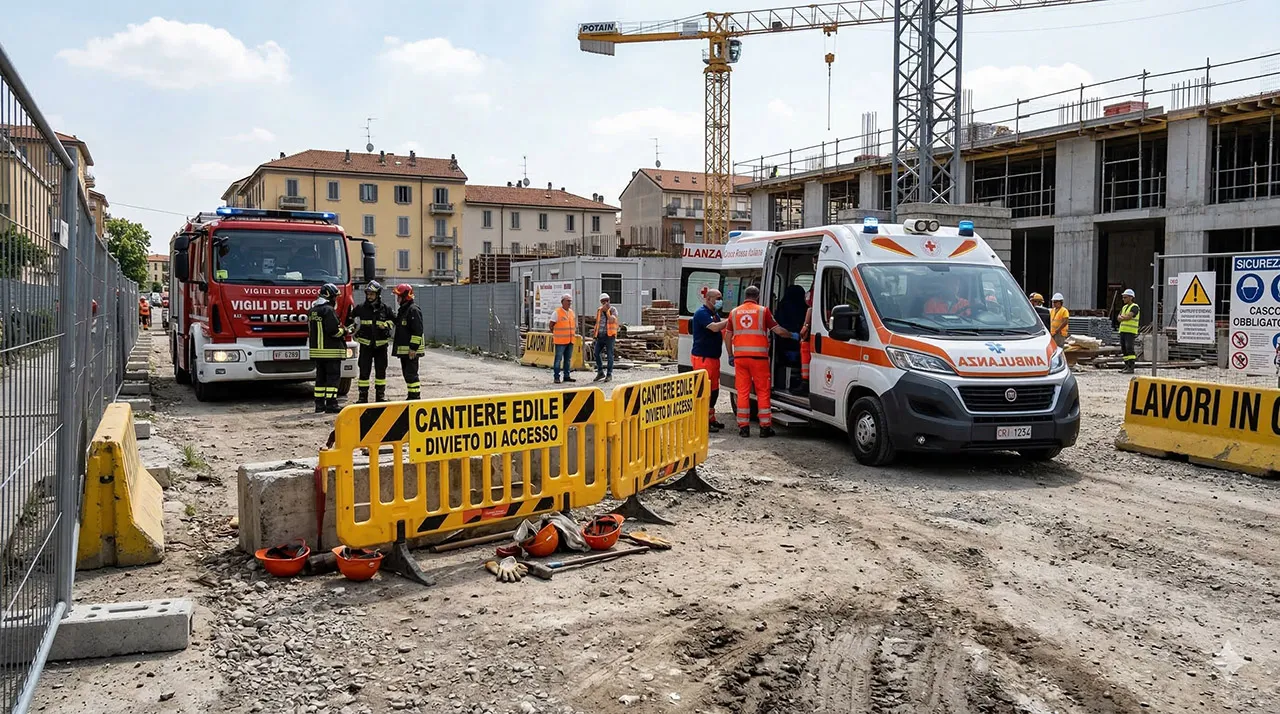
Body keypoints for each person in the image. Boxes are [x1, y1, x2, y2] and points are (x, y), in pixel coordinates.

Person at [725, 285, 798, 438]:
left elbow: (727, 335)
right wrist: (792, 335)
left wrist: (730, 355)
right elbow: (777, 331)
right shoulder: (763, 311)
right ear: (757, 297)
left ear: (745, 295)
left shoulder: (734, 312)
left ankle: (743, 428)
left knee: (743, 392)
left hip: (740, 358)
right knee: (763, 392)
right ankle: (765, 428)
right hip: (759, 359)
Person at [348, 281, 396, 402]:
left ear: (378, 294)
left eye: (372, 294)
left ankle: (380, 396)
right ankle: (362, 397)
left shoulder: (386, 309)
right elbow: (349, 318)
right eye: (368, 294)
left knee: (381, 371)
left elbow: (394, 321)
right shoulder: (361, 308)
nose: (369, 296)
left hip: (381, 346)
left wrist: (386, 325)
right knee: (364, 372)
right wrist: (352, 327)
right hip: (365, 345)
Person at [691, 287, 730, 431]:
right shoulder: (702, 313)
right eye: (717, 298)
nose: (720, 301)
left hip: (713, 358)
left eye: (721, 298)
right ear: (708, 299)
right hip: (703, 358)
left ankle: (710, 418)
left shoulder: (714, 314)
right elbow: (714, 328)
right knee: (703, 391)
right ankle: (701, 422)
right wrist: (730, 319)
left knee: (714, 391)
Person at [308, 283, 346, 414]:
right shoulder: (328, 310)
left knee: (320, 378)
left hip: (317, 352)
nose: (336, 299)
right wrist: (345, 330)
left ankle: (319, 405)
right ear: (330, 296)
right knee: (333, 378)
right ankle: (331, 404)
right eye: (335, 297)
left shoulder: (313, 310)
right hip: (331, 351)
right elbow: (333, 331)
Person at [392, 284, 424, 400]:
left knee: (411, 375)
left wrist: (413, 348)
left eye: (399, 296)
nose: (397, 299)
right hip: (405, 351)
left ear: (405, 296)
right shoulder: (404, 310)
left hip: (411, 351)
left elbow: (418, 330)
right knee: (407, 374)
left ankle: (415, 397)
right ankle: (411, 396)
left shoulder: (413, 310)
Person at [550, 294, 577, 384]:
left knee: (567, 359)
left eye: (570, 301)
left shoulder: (571, 313)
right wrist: (556, 334)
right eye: (568, 301)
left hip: (570, 340)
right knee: (558, 359)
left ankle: (566, 376)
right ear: (563, 302)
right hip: (560, 341)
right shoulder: (557, 312)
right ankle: (556, 377)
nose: (569, 303)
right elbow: (551, 325)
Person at [593, 293, 619, 383]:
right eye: (603, 301)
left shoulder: (613, 310)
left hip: (609, 336)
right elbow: (597, 323)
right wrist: (595, 334)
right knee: (596, 353)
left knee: (610, 355)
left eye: (607, 301)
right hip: (600, 336)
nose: (605, 303)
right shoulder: (599, 310)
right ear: (601, 302)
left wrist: (606, 311)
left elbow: (612, 319)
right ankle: (600, 372)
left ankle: (609, 374)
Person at [1116, 288, 1140, 374]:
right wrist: (1122, 318)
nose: (1123, 299)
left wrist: (1123, 317)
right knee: (1124, 349)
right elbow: (1119, 318)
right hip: (1123, 331)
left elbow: (1128, 317)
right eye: (1123, 297)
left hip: (1130, 331)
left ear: (1131, 297)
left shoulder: (1135, 307)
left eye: (1125, 297)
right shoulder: (1124, 307)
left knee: (1129, 348)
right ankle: (1126, 366)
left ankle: (1131, 367)